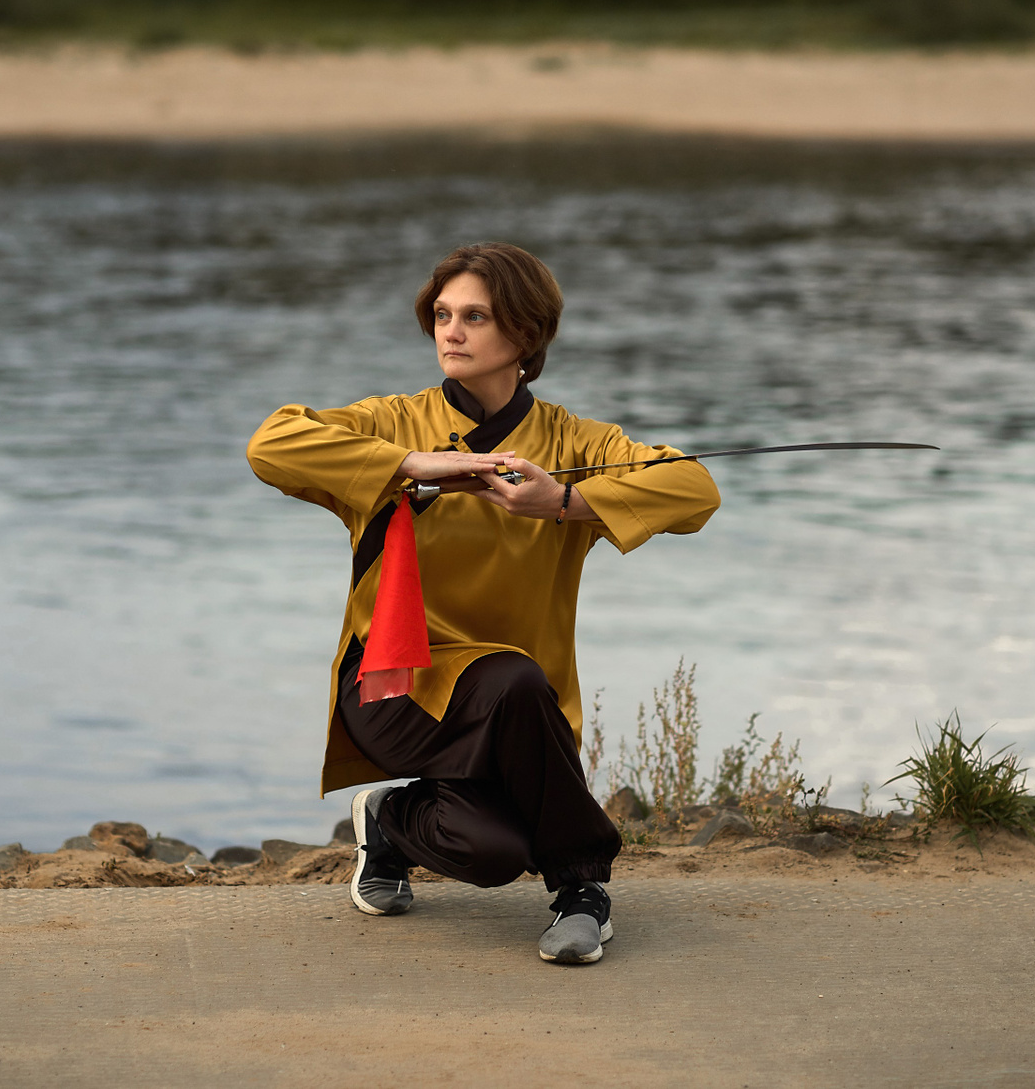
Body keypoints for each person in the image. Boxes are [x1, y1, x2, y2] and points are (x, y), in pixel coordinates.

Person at [245, 243, 720, 964]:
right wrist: (410, 464)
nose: (451, 332)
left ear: (525, 334)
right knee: (511, 676)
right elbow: (270, 443)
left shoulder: (573, 442)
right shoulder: (392, 423)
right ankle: (583, 886)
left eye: (475, 317)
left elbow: (694, 489)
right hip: (393, 689)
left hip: (522, 716)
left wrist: (564, 502)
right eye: (442, 315)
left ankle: (390, 820)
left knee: (492, 852)